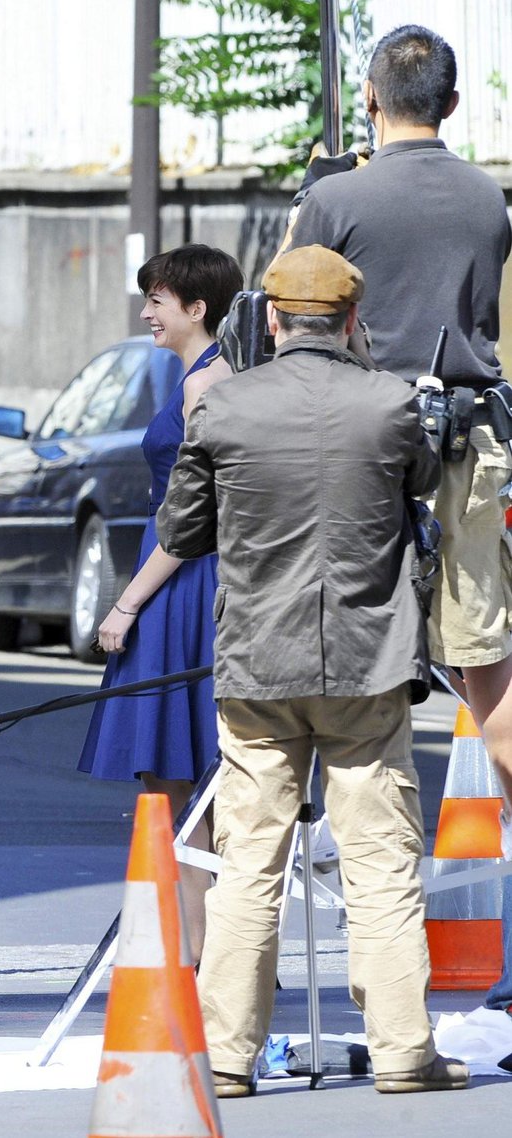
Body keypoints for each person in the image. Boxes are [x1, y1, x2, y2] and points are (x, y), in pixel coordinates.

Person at [156, 245, 464, 1096]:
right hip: (367, 670)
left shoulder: (226, 407)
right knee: (380, 863)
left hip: (259, 666)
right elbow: (427, 480)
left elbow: (181, 531)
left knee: (250, 863)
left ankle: (227, 1056)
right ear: (354, 321)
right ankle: (404, 1052)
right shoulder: (392, 404)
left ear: (274, 320)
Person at [277, 22, 512, 1024]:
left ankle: (373, 950)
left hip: (363, 445)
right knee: (488, 677)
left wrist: (317, 195)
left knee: (354, 680)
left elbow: (281, 312)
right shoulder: (486, 198)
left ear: (367, 99)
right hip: (472, 440)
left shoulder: (335, 197)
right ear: (451, 108)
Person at [79, 243, 243, 961]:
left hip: (181, 580)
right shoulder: (195, 375)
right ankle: (189, 946)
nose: (146, 312)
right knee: (173, 776)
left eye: (158, 301)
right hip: (174, 573)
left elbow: (193, 517)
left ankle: (198, 952)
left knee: (186, 776)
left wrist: (126, 604)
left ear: (195, 308)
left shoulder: (208, 384)